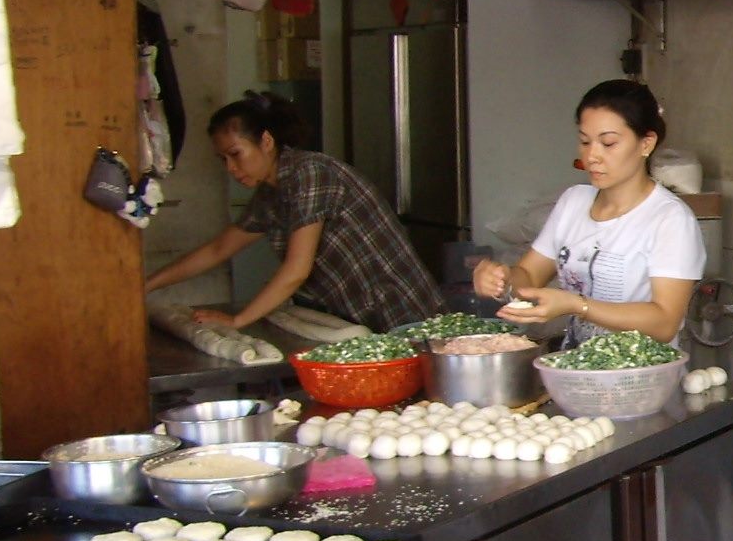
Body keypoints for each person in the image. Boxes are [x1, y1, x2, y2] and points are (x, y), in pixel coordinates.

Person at [144, 90, 443, 333]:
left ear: (267, 142)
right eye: (223, 159)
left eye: (236, 154)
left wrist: (238, 321)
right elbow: (219, 248)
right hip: (360, 314)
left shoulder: (310, 174)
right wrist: (146, 286)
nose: (231, 169)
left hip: (402, 311)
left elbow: (296, 270)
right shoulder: (271, 193)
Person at [471, 80, 704, 346]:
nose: (592, 155)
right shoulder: (573, 202)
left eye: (608, 143)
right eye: (585, 141)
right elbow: (529, 275)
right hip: (579, 372)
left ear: (646, 144)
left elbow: (665, 322)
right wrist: (501, 279)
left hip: (641, 380)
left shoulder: (670, 219)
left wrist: (577, 305)